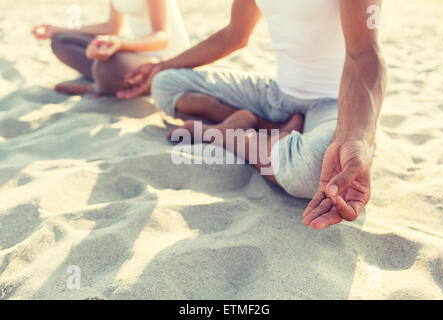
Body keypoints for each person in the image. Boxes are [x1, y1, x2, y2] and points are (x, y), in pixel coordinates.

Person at [117, 0, 387, 230]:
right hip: (276, 95)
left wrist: (357, 138)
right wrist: (162, 66)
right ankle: (263, 126)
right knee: (165, 83)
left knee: (315, 170)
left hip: (335, 105)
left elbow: (365, 52)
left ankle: (225, 136)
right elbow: (234, 35)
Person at [32, 0, 189, 95]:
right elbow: (111, 28)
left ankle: (94, 87)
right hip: (137, 53)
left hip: (165, 58)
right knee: (60, 41)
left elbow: (162, 37)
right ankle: (109, 80)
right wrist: (58, 29)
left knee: (108, 66)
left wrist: (120, 45)